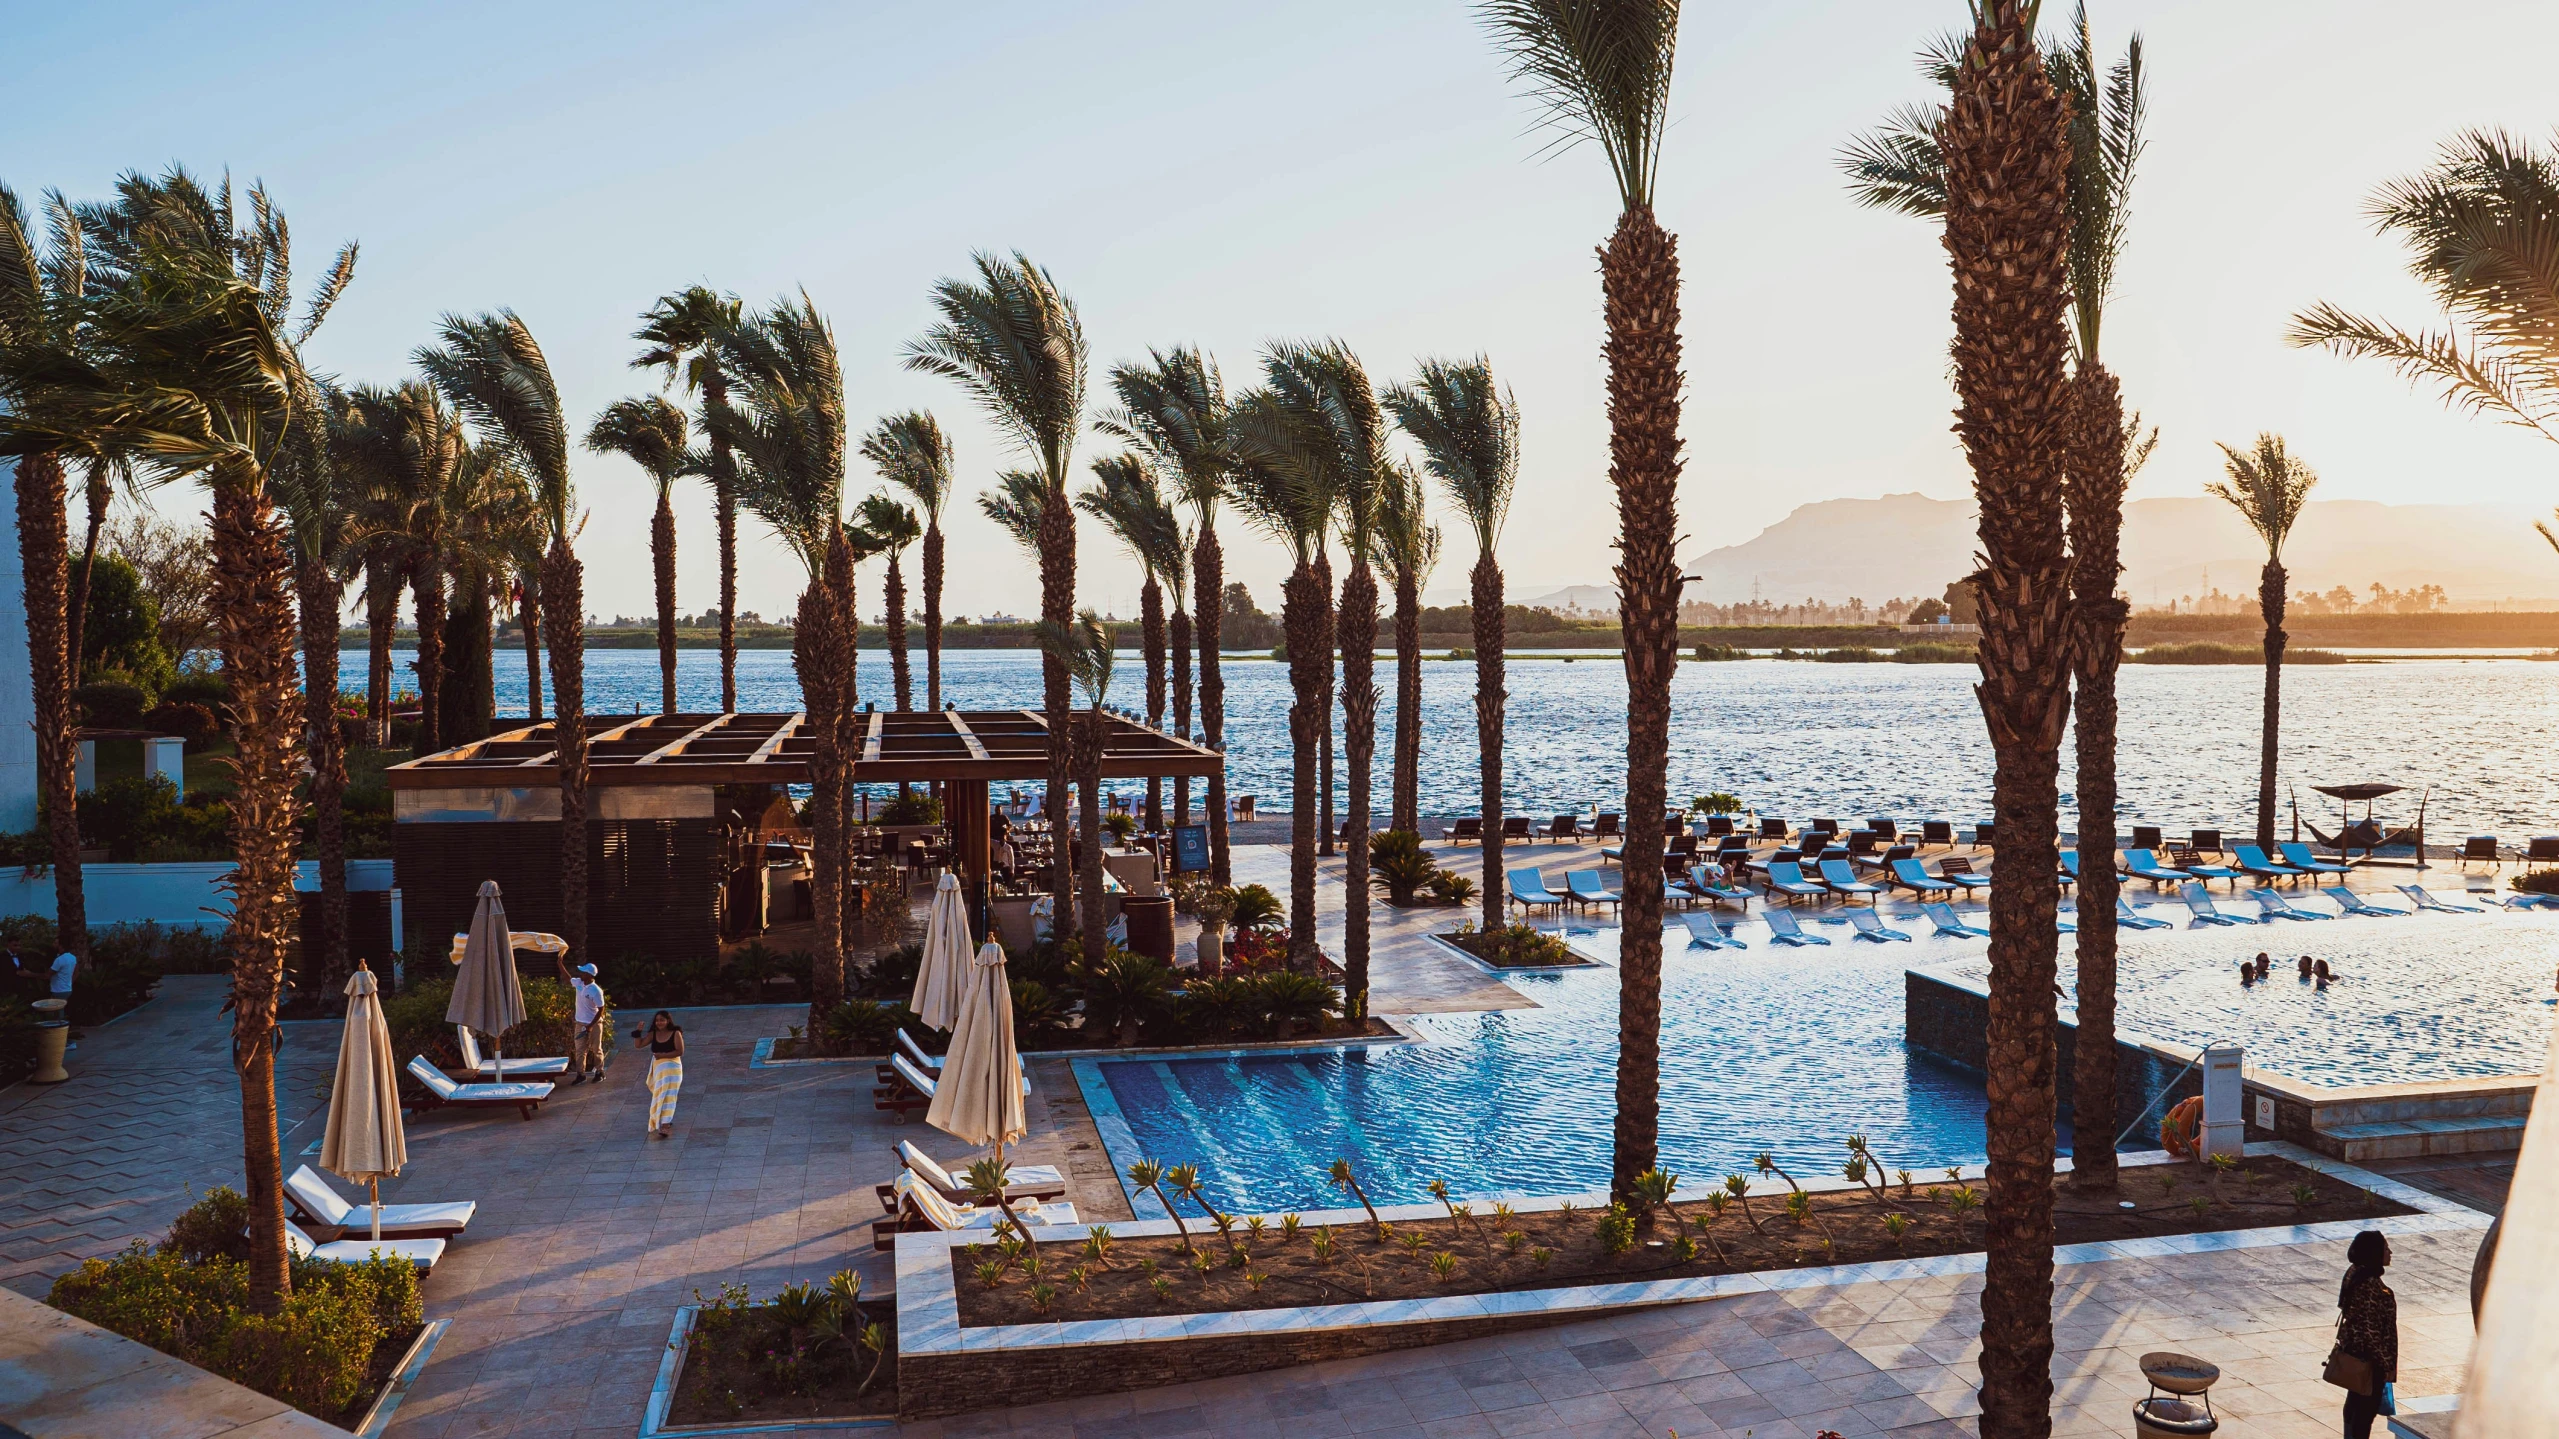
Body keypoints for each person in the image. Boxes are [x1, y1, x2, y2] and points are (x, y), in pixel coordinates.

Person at [2335, 1230, 2398, 1437]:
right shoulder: (2371, 1286)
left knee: (2354, 1404)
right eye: (2385, 1248)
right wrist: (2385, 1362)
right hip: (2370, 1361)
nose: (2389, 1252)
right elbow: (2371, 1330)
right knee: (2364, 1412)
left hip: (2355, 1353)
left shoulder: (2354, 1273)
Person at [633, 1011, 684, 1138]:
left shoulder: (675, 1033)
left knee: (669, 1096)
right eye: (657, 1020)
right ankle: (663, 1119)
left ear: (668, 1021)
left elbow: (680, 1051)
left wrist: (663, 1056)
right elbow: (638, 1045)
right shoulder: (653, 1034)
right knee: (660, 1095)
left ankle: (665, 1125)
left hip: (673, 1070)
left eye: (662, 1020)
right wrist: (638, 1032)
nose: (659, 1022)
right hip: (659, 1070)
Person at [568, 964, 608, 1084]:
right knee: (580, 1050)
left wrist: (590, 1025)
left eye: (583, 972)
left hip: (594, 1024)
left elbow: (601, 1009)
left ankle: (600, 1072)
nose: (580, 974)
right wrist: (559, 963)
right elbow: (567, 978)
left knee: (596, 1049)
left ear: (590, 975)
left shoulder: (596, 991)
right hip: (580, 1023)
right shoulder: (579, 983)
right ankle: (581, 1074)